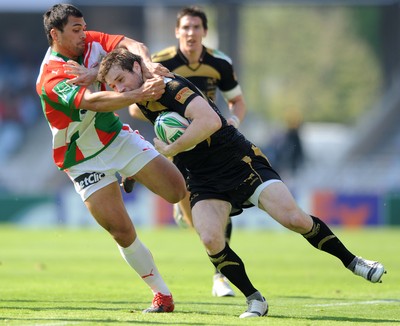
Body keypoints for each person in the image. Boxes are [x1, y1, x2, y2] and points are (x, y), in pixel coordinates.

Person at [97, 48, 386, 318]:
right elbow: (155, 135)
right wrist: (136, 170)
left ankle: (354, 262)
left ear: (137, 67)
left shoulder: (171, 87)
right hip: (202, 177)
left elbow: (210, 121)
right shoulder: (139, 97)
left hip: (238, 162)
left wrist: (173, 149)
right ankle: (255, 299)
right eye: (114, 85)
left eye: (121, 79)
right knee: (210, 239)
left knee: (295, 219)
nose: (120, 89)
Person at [36, 3, 187, 313]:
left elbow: (131, 45)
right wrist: (137, 94)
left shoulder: (90, 42)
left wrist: (146, 62)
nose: (83, 34)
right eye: (76, 30)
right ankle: (162, 294)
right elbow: (93, 101)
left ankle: (131, 171)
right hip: (81, 159)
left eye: (83, 27)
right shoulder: (51, 75)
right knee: (121, 230)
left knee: (177, 190)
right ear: (55, 34)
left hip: (115, 139)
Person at [127, 5, 246, 298]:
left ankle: (220, 276)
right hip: (178, 141)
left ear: (204, 32)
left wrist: (234, 120)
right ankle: (183, 206)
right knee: (187, 202)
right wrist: (167, 119)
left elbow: (237, 102)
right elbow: (134, 107)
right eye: (186, 28)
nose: (191, 33)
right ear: (177, 32)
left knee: (222, 204)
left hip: (211, 139)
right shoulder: (159, 62)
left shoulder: (221, 63)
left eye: (196, 27)